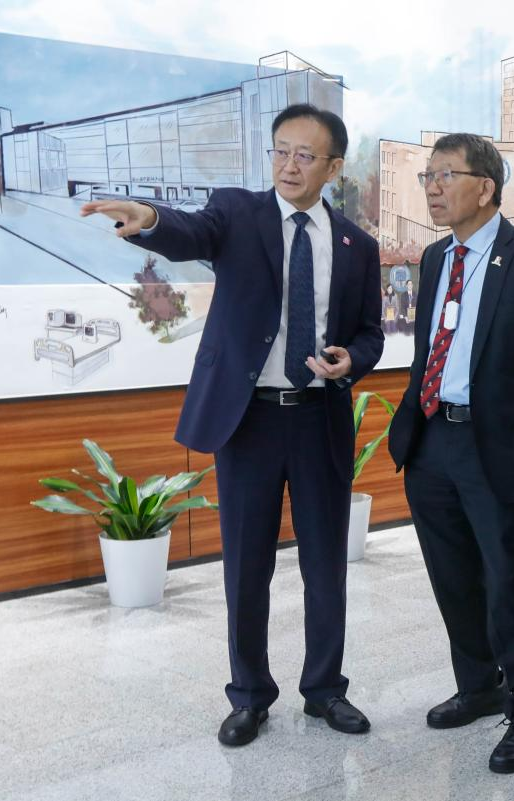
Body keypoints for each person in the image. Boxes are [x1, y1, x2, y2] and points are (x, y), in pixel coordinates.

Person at [81, 104, 383, 746]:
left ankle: (325, 690)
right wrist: (150, 220)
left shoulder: (357, 245)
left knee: (325, 564)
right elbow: (190, 232)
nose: (289, 165)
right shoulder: (238, 213)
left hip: (320, 418)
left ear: (333, 168)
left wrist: (352, 360)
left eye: (306, 155)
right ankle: (249, 695)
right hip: (249, 421)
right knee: (247, 566)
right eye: (281, 150)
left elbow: (370, 333)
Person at [387, 133, 514, 774]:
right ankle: (478, 684)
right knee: (452, 574)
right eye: (428, 177)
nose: (432, 188)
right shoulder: (437, 257)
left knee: (506, 580)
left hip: (496, 446)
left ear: (486, 187)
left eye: (445, 175)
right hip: (431, 437)